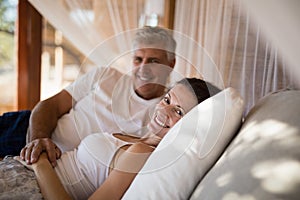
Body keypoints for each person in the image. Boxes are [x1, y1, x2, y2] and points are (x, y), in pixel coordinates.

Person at [5, 78, 220, 199]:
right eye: (166, 100)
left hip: (31, 181)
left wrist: (40, 162)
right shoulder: (137, 141)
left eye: (179, 112)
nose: (164, 111)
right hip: (19, 169)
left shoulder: (142, 154)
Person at [0, 26, 177, 166]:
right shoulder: (104, 75)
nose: (143, 68)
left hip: (55, 165)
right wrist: (37, 141)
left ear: (171, 64)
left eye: (153, 61)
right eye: (138, 59)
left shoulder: (167, 113)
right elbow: (50, 106)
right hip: (29, 128)